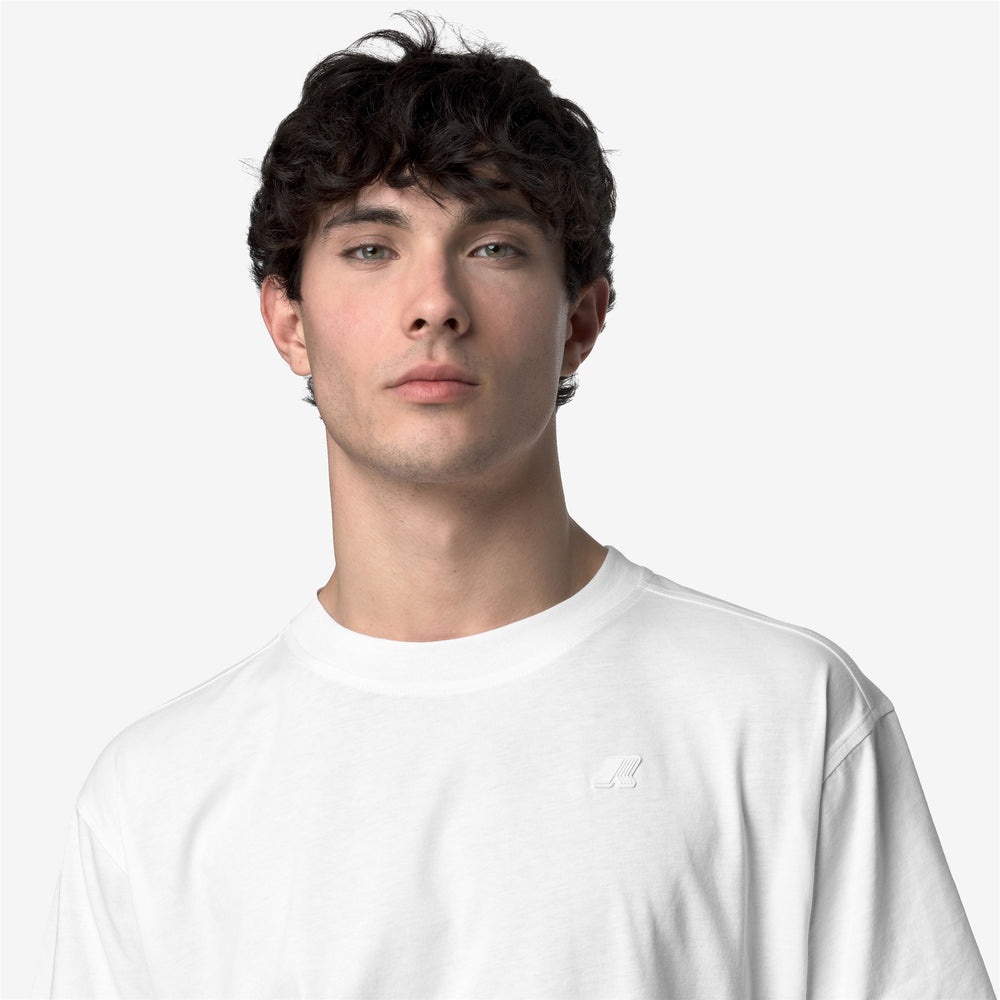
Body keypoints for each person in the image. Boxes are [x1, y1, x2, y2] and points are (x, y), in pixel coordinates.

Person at [32, 10, 995, 999]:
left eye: (492, 247)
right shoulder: (156, 797)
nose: (434, 303)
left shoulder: (782, 714)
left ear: (581, 319)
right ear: (289, 321)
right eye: (371, 248)